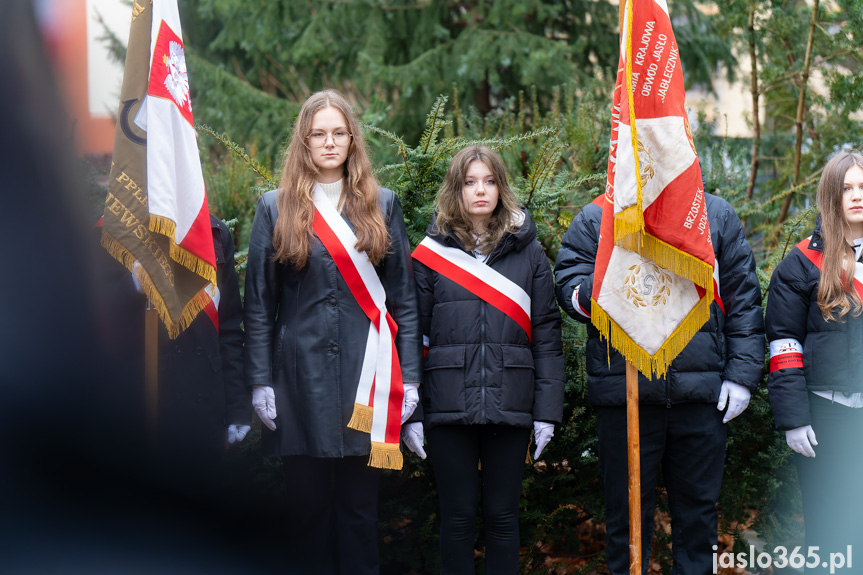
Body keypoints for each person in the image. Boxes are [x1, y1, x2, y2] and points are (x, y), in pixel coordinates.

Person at [243, 89, 422, 575]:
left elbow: (403, 299)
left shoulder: (382, 204)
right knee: (306, 515)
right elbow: (258, 305)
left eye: (338, 133)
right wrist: (260, 381)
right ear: (304, 141)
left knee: (361, 515)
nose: (328, 142)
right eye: (318, 134)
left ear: (351, 140)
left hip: (367, 384)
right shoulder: (273, 207)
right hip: (298, 385)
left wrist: (412, 382)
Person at [553, 179, 764, 574]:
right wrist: (597, 289)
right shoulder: (598, 216)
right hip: (626, 395)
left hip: (701, 398)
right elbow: (568, 285)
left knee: (698, 521)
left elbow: (744, 299)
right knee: (626, 519)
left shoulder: (713, 215)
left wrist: (741, 375)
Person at [403, 146, 565, 575]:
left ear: (501, 188)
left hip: (510, 401)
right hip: (446, 403)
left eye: (489, 181)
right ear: (455, 190)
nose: (480, 191)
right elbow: (411, 336)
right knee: (455, 519)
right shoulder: (429, 253)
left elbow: (547, 336)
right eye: (470, 182)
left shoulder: (528, 252)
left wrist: (546, 413)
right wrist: (413, 412)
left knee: (502, 518)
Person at [766, 151, 863, 573]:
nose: (856, 196)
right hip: (826, 417)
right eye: (846, 188)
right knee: (829, 535)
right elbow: (784, 344)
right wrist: (793, 419)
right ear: (830, 195)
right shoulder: (799, 265)